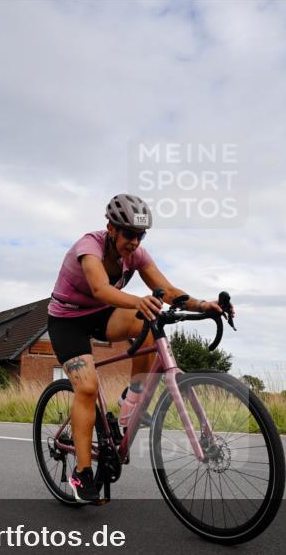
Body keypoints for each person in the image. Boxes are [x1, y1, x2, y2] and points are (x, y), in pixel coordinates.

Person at [47, 193, 229, 503]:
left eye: (140, 235)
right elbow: (100, 288)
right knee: (88, 389)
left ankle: (128, 408)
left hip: (102, 314)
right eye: (129, 233)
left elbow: (169, 291)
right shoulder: (88, 247)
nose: (134, 241)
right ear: (111, 228)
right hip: (67, 320)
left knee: (149, 327)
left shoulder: (137, 255)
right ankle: (81, 472)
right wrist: (139, 301)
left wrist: (203, 305)